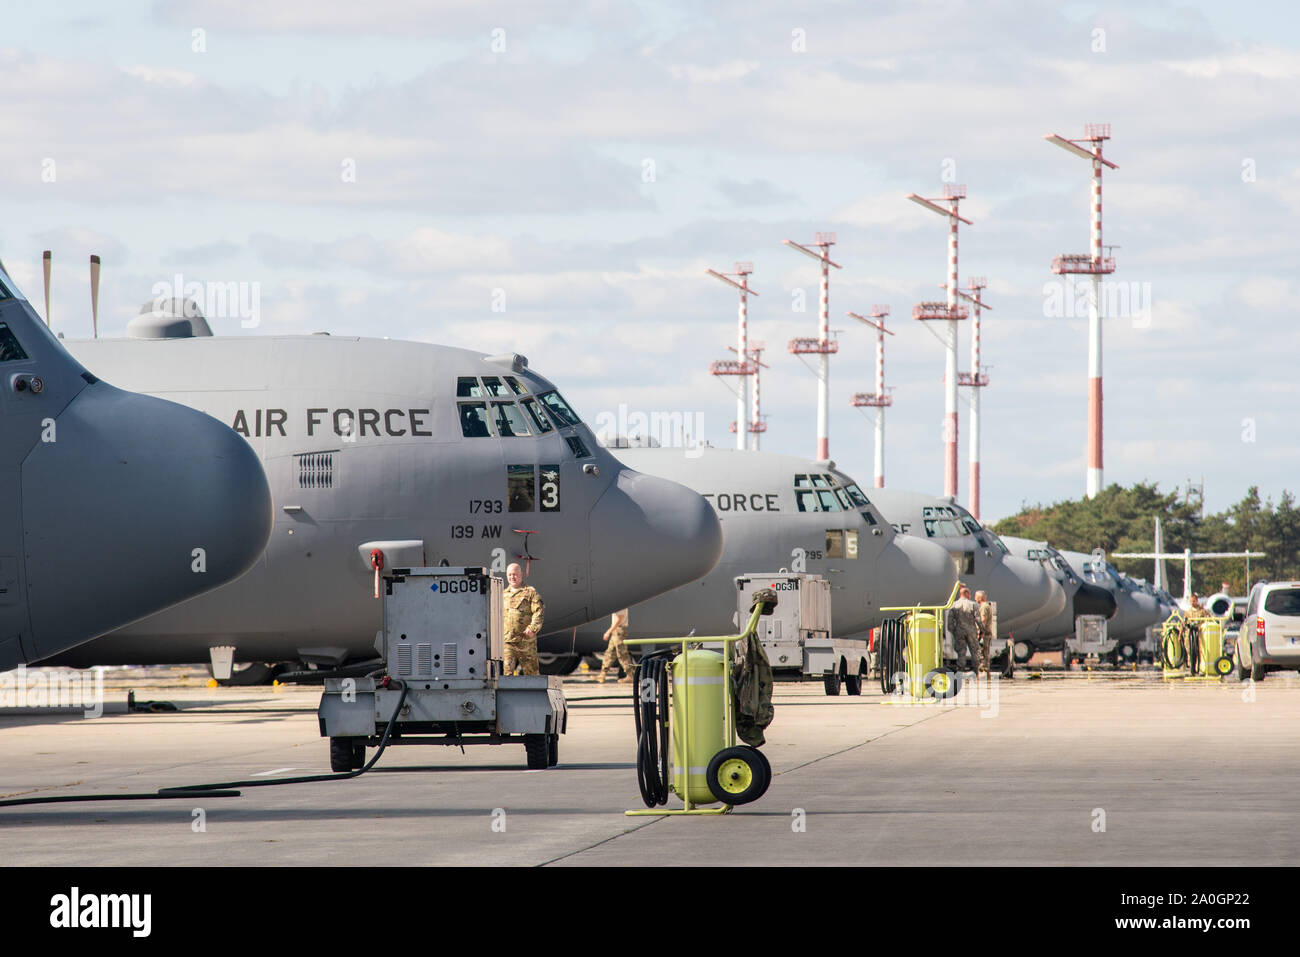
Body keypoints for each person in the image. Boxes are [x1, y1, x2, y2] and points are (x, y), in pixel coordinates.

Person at [502, 563, 544, 676]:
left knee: (532, 674)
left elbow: (539, 611)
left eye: (515, 574)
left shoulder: (530, 593)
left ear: (521, 574)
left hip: (526, 642)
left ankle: (534, 693)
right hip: (508, 641)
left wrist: (533, 628)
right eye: (510, 575)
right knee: (507, 674)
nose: (512, 577)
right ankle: (508, 694)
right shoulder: (503, 595)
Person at [948, 584, 982, 673]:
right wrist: (982, 630)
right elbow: (978, 619)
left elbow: (950, 621)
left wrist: (953, 631)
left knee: (961, 652)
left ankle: (961, 669)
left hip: (959, 631)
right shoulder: (973, 605)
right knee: (975, 651)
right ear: (967, 594)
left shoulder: (954, 605)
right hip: (971, 631)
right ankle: (976, 670)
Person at [597, 608, 634, 684]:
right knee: (610, 653)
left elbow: (619, 619)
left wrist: (608, 631)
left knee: (622, 654)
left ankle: (630, 676)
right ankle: (602, 675)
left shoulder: (621, 604)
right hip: (616, 631)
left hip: (619, 631)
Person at [974, 589, 994, 673]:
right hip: (986, 633)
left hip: (984, 634)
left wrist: (980, 633)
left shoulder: (984, 607)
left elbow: (983, 620)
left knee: (982, 653)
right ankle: (985, 668)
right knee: (985, 652)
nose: (975, 599)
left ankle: (983, 669)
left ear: (979, 598)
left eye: (975, 597)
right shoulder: (986, 606)